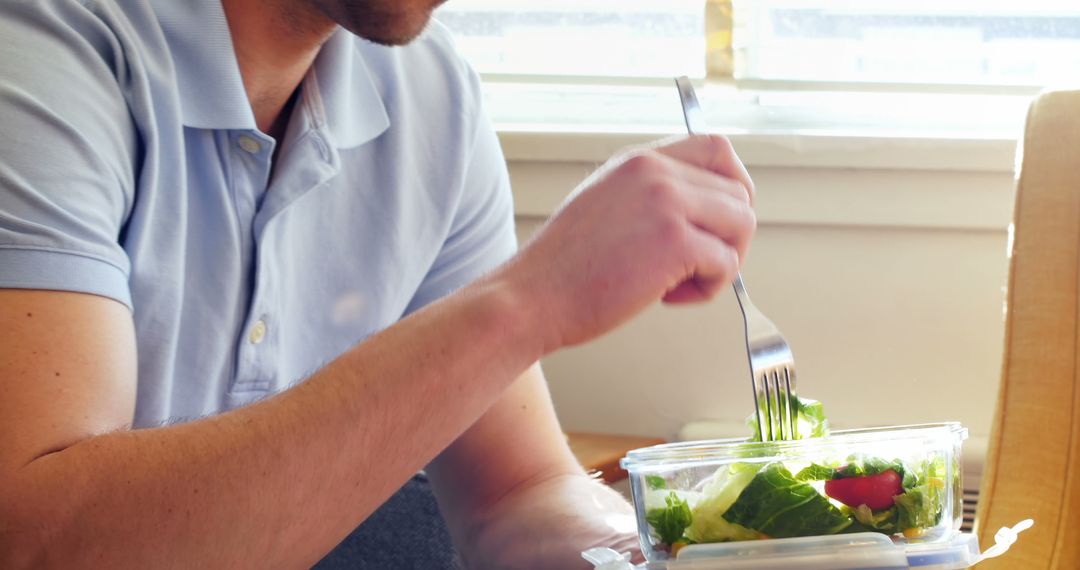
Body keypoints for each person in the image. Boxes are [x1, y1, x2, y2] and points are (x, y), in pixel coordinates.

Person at [0, 0, 756, 568]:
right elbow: (35, 537)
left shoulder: (431, 93)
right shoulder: (38, 52)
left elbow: (515, 494)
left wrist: (674, 554)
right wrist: (529, 301)